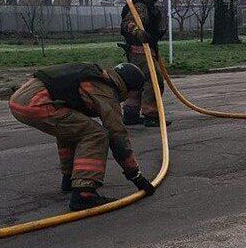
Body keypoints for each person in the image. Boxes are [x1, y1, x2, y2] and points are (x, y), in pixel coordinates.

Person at [9, 62, 156, 211]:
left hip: (19, 100)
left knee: (74, 129)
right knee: (96, 134)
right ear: (129, 88)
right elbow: (117, 135)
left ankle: (69, 179)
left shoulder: (95, 74)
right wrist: (135, 176)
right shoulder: (104, 89)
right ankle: (84, 193)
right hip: (36, 103)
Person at [120, 0, 167, 126]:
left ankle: (130, 113)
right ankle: (151, 114)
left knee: (137, 81)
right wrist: (141, 34)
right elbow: (129, 23)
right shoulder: (141, 4)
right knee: (154, 80)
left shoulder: (147, 4)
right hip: (140, 50)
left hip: (143, 50)